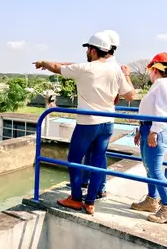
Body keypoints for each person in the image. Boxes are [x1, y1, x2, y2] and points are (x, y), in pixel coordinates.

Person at [33, 31, 135, 214]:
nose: (86, 52)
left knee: (74, 159)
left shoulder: (86, 69)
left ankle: (75, 198)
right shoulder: (116, 70)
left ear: (93, 51)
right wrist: (127, 76)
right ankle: (90, 203)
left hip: (88, 123)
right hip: (108, 123)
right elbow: (130, 95)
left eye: (88, 49)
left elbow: (56, 67)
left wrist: (43, 62)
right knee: (97, 162)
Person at [82, 29, 124, 198]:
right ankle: (91, 184)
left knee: (98, 153)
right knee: (94, 152)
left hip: (97, 118)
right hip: (103, 118)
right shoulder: (112, 65)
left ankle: (99, 187)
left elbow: (122, 95)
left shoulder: (109, 66)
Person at [130, 52, 167, 223]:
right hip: (148, 128)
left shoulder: (161, 84)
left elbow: (161, 111)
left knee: (155, 169)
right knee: (149, 167)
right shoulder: (159, 84)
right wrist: (141, 128)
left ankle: (165, 207)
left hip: (154, 130)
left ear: (155, 69)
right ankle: (152, 200)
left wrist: (154, 131)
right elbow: (150, 110)